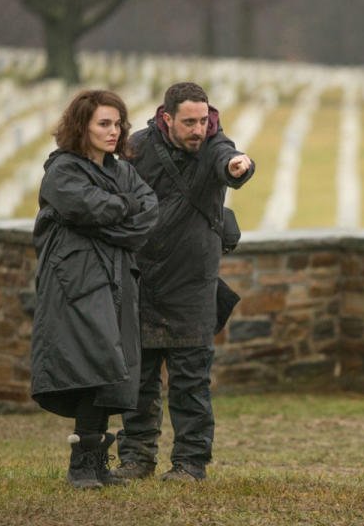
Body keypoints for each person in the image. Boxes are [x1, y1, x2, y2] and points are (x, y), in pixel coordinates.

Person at [114, 81, 255, 482]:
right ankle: (136, 458)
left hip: (194, 284)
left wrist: (237, 167)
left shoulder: (215, 145)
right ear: (166, 119)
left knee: (191, 384)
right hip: (143, 279)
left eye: (204, 120)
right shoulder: (137, 148)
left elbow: (230, 161)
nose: (199, 129)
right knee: (138, 381)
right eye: (189, 122)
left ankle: (191, 464)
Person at [31, 89, 158, 490]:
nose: (113, 130)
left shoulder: (122, 171)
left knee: (110, 367)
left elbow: (148, 211)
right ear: (81, 126)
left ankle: (97, 463)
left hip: (118, 276)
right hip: (76, 279)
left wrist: (111, 211)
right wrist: (122, 208)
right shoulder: (62, 171)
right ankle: (80, 465)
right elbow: (82, 207)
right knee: (90, 359)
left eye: (118, 123)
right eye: (104, 123)